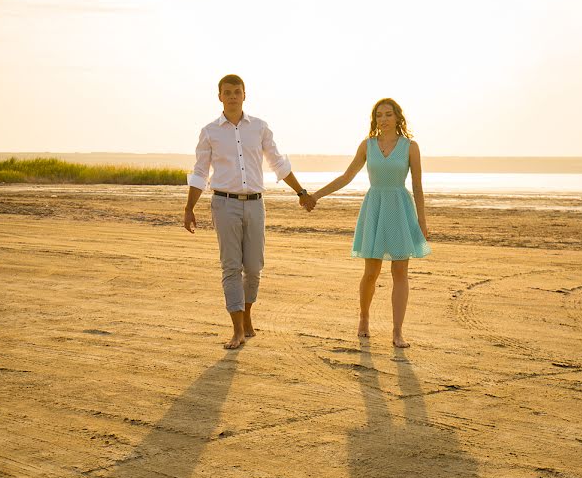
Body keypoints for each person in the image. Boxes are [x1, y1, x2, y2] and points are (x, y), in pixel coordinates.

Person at [184, 74, 315, 349]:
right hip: (224, 203)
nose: (232, 96)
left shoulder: (260, 128)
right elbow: (200, 171)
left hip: (255, 204)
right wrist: (189, 208)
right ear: (219, 96)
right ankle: (237, 329)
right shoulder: (209, 131)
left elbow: (278, 163)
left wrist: (301, 193)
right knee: (231, 267)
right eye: (227, 92)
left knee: (254, 268)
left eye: (237, 92)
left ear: (245, 95)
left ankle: (247, 316)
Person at [308, 98, 430, 347]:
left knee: (400, 272)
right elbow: (346, 177)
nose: (383, 119)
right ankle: (364, 317)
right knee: (371, 272)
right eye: (379, 115)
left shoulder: (410, 147)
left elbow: (417, 185)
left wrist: (422, 220)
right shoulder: (367, 145)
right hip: (374, 208)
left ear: (398, 117)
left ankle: (397, 332)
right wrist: (316, 196)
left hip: (399, 209)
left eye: (388, 114)